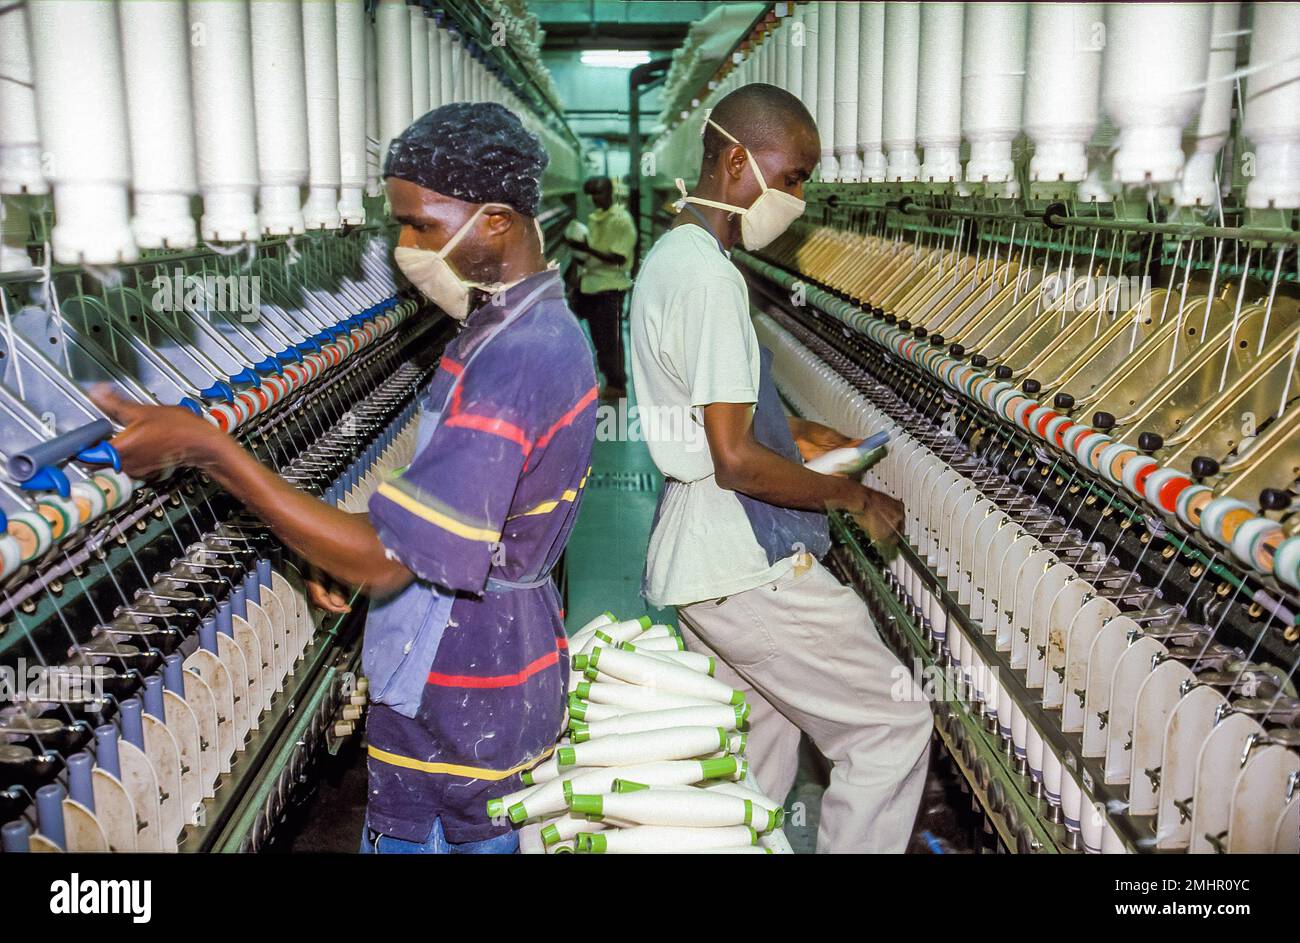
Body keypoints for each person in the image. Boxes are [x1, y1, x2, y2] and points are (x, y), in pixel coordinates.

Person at [93, 102, 597, 854]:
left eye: (422, 224)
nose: (405, 246)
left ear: (495, 221)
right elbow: (444, 534)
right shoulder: (513, 326)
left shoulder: (514, 357)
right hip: (487, 672)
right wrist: (360, 564)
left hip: (460, 715)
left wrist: (213, 451)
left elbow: (385, 556)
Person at [628, 83, 931, 854]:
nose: (798, 196)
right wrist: (850, 493)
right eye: (793, 176)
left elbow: (709, 415)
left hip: (700, 563)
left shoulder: (674, 255)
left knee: (748, 768)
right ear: (737, 161)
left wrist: (790, 426)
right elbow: (733, 461)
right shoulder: (711, 280)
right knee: (890, 725)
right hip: (744, 561)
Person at [567, 176, 636, 400]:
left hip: (610, 288)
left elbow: (618, 258)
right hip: (592, 285)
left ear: (610, 193)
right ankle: (608, 378)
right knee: (599, 339)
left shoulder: (620, 220)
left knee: (611, 341)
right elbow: (592, 256)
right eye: (591, 193)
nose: (594, 198)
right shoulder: (596, 218)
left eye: (598, 192)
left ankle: (618, 385)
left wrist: (586, 248)